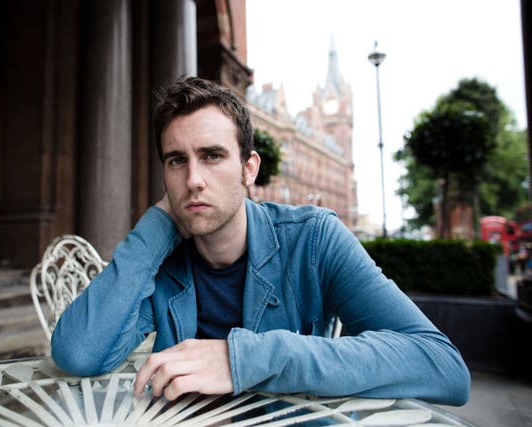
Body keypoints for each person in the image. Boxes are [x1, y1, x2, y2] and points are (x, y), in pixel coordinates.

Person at [51, 76, 470, 405]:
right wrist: (158, 223)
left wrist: (242, 360)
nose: (193, 180)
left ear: (249, 168)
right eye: (177, 161)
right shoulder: (164, 256)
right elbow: (79, 353)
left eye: (212, 156)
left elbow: (441, 366)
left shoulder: (314, 238)